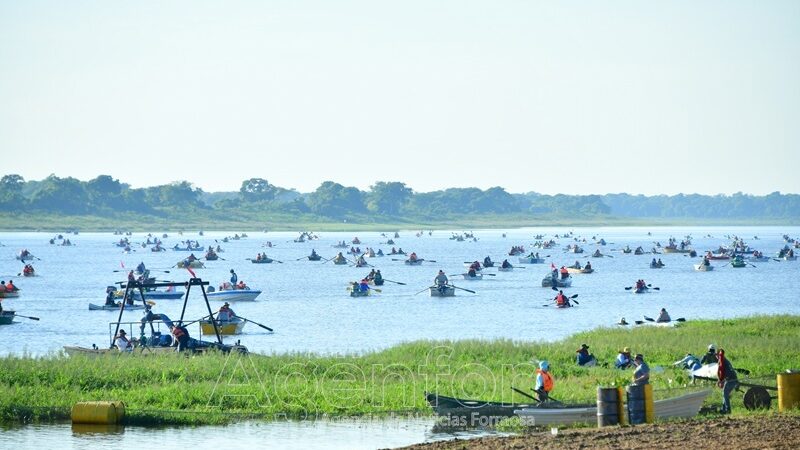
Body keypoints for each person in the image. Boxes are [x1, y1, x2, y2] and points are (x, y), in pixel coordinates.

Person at [717, 349, 738, 414]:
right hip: (732, 379)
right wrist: (721, 380)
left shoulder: (723, 361)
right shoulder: (724, 361)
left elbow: (724, 372)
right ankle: (724, 409)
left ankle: (728, 409)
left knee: (725, 393)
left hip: (731, 379)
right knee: (725, 394)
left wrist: (721, 380)